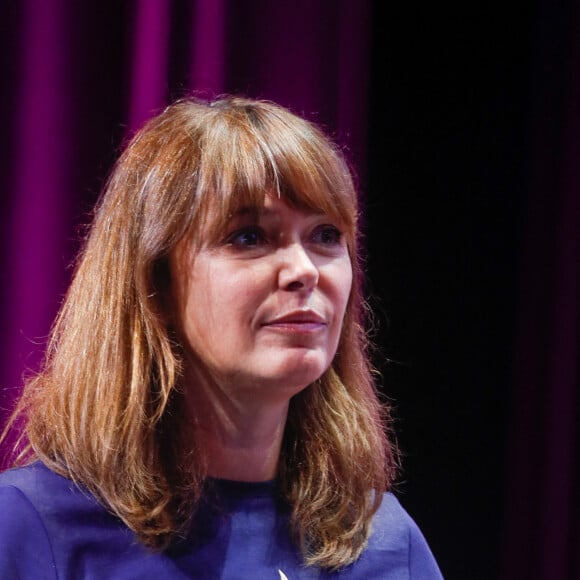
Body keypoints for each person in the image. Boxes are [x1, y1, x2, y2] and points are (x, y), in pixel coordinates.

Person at [0, 95, 443, 579]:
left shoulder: (383, 544)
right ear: (157, 286)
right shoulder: (28, 528)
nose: (303, 270)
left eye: (326, 235)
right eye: (249, 237)